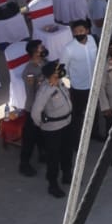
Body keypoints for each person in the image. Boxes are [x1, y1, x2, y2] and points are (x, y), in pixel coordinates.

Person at [33, 60, 75, 199]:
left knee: (67, 152)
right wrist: (42, 125)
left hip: (67, 124)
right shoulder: (45, 90)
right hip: (53, 129)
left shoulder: (60, 83)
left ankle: (67, 175)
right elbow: (36, 112)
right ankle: (53, 184)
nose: (61, 72)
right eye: (58, 71)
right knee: (53, 158)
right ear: (51, 75)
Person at [18, 38, 47, 176]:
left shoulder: (44, 63)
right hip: (33, 108)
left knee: (42, 133)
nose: (44, 49)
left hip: (45, 105)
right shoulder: (29, 71)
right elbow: (31, 93)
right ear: (35, 52)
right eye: (41, 48)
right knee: (29, 137)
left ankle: (42, 154)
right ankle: (24, 163)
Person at [63, 20, 98, 122]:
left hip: (94, 84)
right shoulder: (68, 48)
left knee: (94, 110)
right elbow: (63, 69)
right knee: (77, 113)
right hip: (78, 88)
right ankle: (76, 135)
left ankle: (94, 133)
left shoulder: (94, 40)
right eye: (76, 32)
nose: (78, 34)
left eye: (81, 31)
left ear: (87, 31)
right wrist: (69, 86)